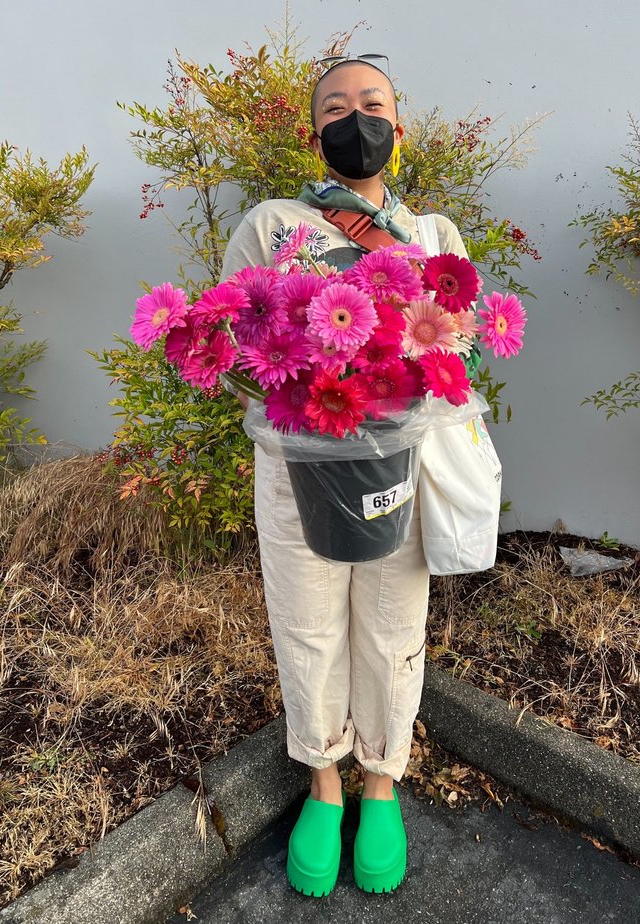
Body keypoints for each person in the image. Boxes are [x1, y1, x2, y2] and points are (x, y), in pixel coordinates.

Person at [218, 56, 473, 897]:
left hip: (398, 461)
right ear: (314, 131)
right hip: (298, 464)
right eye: (336, 107)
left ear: (398, 129)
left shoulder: (434, 234)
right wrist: (300, 374)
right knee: (307, 618)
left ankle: (382, 779)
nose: (354, 119)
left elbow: (459, 351)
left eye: (372, 105)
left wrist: (394, 374)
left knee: (395, 618)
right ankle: (324, 781)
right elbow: (230, 345)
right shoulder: (273, 224)